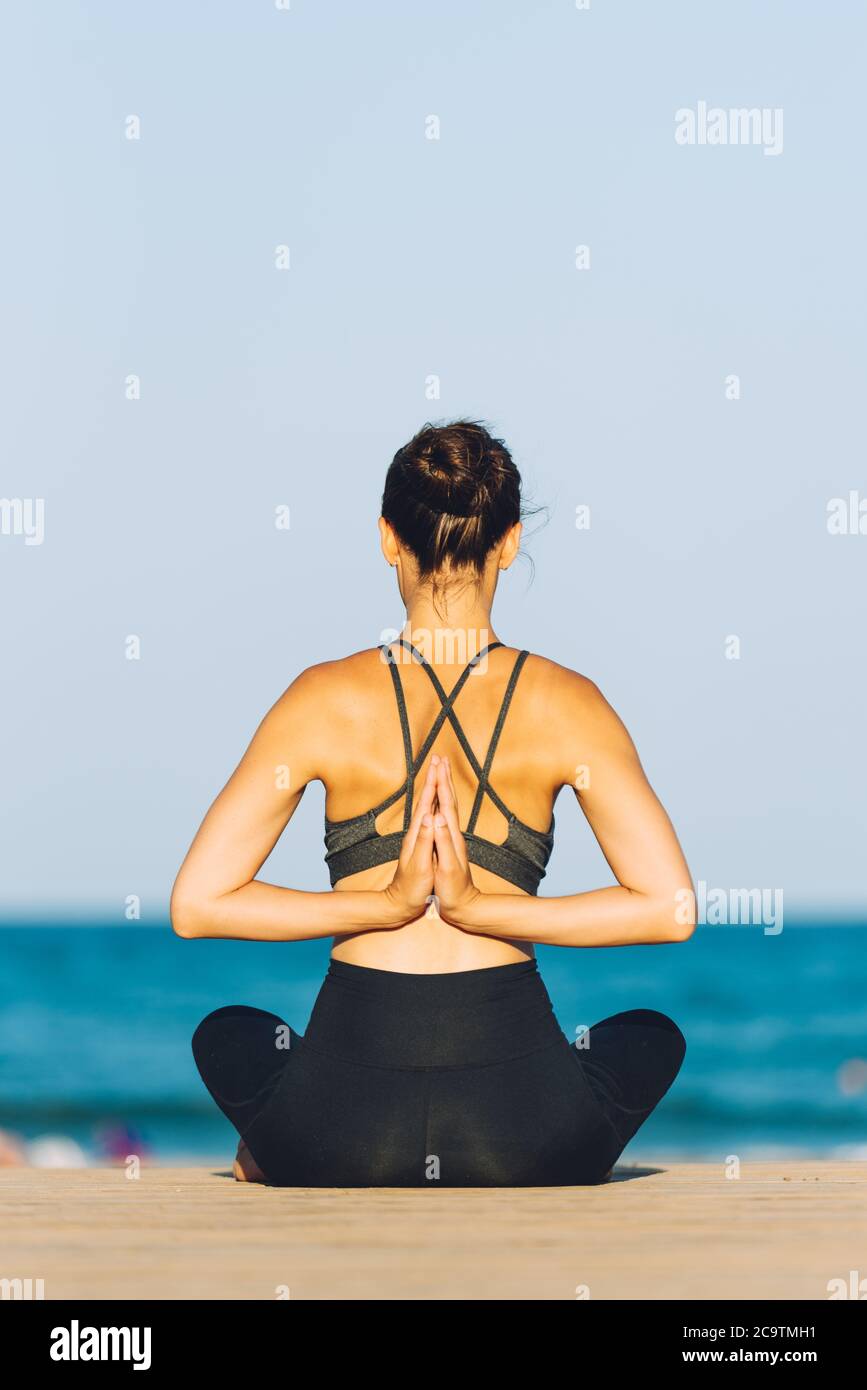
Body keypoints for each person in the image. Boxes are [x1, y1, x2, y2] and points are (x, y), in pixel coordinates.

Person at [171, 420, 694, 1187]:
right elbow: (669, 908)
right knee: (648, 1037)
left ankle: (276, 1147)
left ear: (389, 538)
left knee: (230, 1034)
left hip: (338, 1134)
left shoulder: (319, 699)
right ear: (509, 542)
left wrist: (380, 905)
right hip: (522, 1137)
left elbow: (197, 905)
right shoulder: (570, 704)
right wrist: (488, 911)